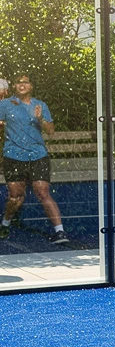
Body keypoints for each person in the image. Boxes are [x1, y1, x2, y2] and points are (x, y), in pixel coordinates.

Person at [0, 74, 71, 244]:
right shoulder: (4, 104)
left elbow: (51, 131)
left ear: (31, 86)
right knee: (16, 197)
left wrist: (40, 119)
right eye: (18, 82)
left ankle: (60, 232)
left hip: (38, 155)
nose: (22, 85)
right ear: (14, 87)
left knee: (43, 192)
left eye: (25, 82)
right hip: (13, 155)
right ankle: (5, 222)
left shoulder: (41, 105)